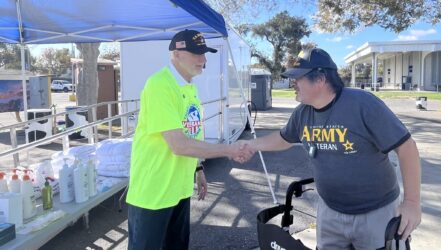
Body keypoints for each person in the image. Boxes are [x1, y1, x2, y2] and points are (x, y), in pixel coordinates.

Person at [243, 48, 421, 249]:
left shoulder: (363, 104)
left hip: (376, 212)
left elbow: (407, 148)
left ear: (320, 79)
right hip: (330, 212)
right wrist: (251, 145)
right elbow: (284, 139)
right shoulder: (303, 113)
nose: (293, 83)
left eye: (297, 78)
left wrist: (412, 203)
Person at [126, 29, 253, 250]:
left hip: (178, 190)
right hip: (153, 194)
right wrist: (229, 150)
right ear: (176, 54)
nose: (203, 60)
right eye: (196, 53)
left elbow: (192, 134)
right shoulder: (159, 85)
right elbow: (179, 144)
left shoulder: (190, 87)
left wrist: (199, 169)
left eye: (204, 53)